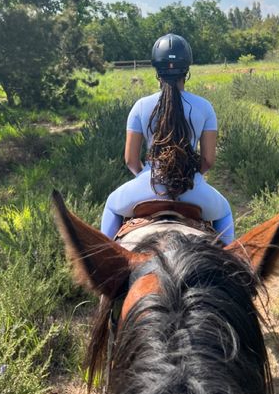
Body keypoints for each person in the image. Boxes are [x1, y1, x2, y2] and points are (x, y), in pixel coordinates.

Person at [100, 33, 234, 244]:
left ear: (156, 69)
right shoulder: (204, 107)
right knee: (225, 210)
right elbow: (208, 161)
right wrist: (189, 176)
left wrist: (144, 176)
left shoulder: (141, 106)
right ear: (187, 70)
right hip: (192, 188)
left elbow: (131, 160)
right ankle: (231, 269)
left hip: (147, 186)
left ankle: (100, 268)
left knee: (111, 204)